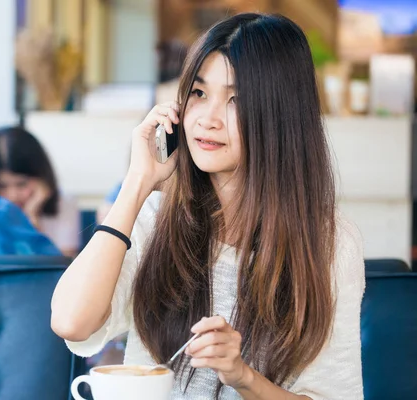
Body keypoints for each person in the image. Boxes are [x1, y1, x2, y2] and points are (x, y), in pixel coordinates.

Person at [51, 13, 364, 399]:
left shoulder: (330, 244)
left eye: (236, 100)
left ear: (279, 117)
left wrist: (242, 376)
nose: (208, 120)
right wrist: (137, 184)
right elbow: (71, 322)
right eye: (198, 93)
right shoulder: (156, 219)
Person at [0, 127, 81, 257]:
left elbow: (63, 267)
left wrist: (31, 218)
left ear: (42, 178)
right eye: (2, 186)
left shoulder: (65, 204)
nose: (13, 195)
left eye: (22, 184)